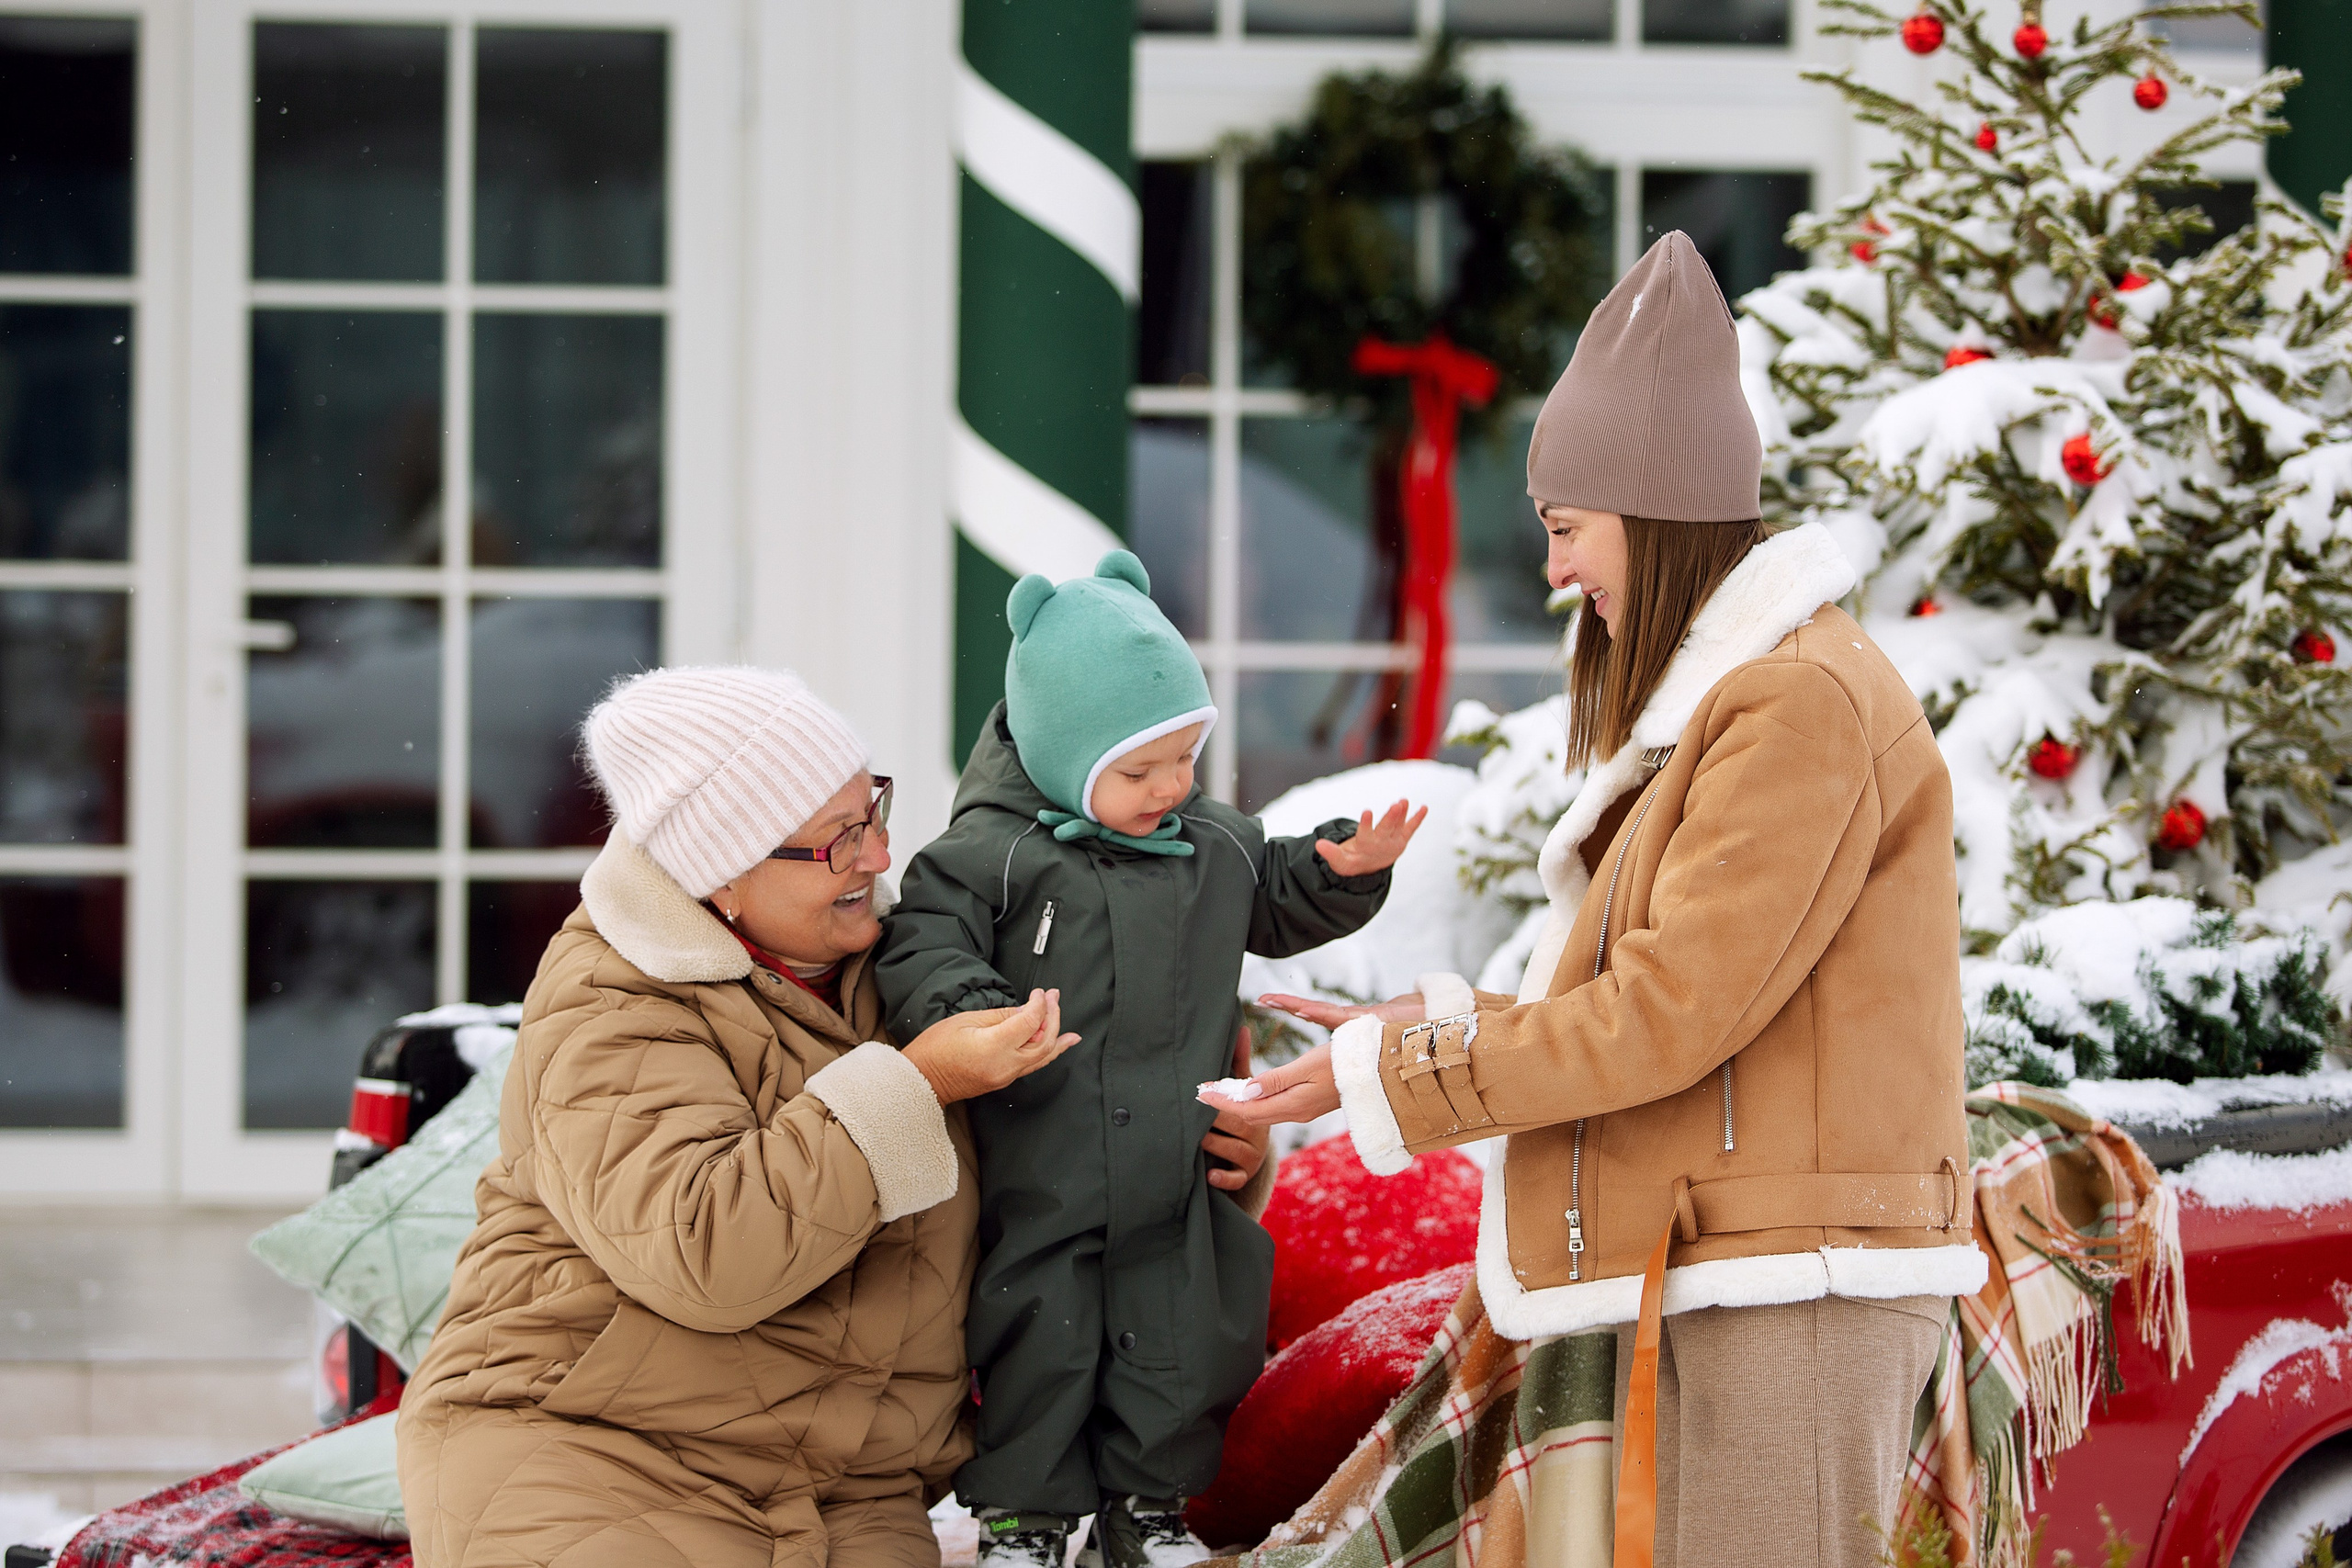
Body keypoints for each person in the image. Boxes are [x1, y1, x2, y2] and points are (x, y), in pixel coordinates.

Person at [1209, 231, 1985, 1568]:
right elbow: (1700, 1004)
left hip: (1788, 1297)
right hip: (1743, 1270)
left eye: (1567, 528)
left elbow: (1663, 1018)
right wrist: (1423, 1024)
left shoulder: (1793, 703)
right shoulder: (1753, 699)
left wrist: (1399, 1064)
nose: (1557, 569)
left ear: (1653, 508)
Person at [396, 664, 1270, 1568]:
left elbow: (1060, 1165)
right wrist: (915, 1086)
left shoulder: (911, 967)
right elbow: (708, 1250)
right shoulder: (610, 1000)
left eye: (874, 811)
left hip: (853, 1487)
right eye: (836, 840)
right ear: (718, 875)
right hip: (594, 1451)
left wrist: (1208, 1152)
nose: (881, 857)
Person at [875, 551, 1422, 1568]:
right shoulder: (989, 854)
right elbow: (921, 943)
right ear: (1061, 751)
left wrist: (1338, 870)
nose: (1171, 787)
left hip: (1176, 1169)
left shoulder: (1208, 842)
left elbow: (1275, 889)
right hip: (1042, 1166)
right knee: (1035, 1339)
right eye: (1140, 769)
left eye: (1186, 757)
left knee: (1184, 1344)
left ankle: (1148, 1514)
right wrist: (970, 1011)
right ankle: (1021, 1522)